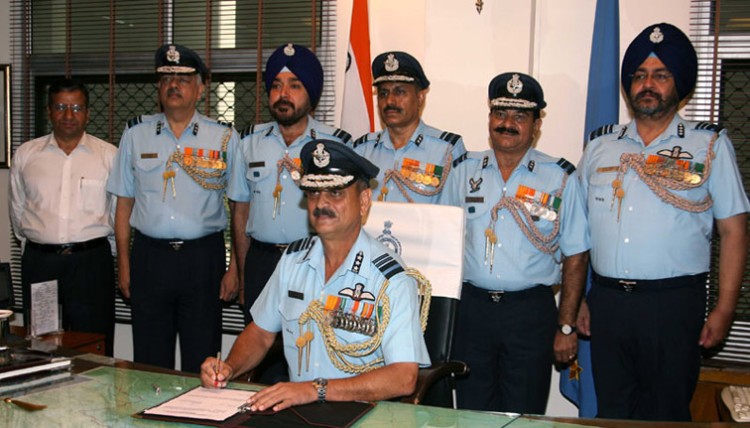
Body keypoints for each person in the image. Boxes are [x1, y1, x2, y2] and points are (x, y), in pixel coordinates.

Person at [578, 23, 749, 421]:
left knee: (667, 414)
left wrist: (724, 308)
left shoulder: (709, 146)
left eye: (660, 74)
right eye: (639, 76)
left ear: (680, 84)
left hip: (671, 306)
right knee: (612, 414)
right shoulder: (600, 146)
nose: (647, 85)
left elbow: (734, 230)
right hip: (608, 304)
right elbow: (581, 231)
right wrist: (585, 298)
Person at [201, 139, 430, 412]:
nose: (321, 203)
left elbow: (404, 377)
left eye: (335, 193)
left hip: (362, 412)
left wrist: (316, 390)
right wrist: (228, 367)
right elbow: (260, 333)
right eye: (313, 193)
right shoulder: (293, 260)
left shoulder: (389, 279)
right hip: (299, 409)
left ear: (364, 201)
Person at [440, 72, 589, 414]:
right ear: (489, 118)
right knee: (471, 411)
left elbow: (576, 255)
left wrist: (566, 326)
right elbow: (444, 244)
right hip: (472, 311)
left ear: (536, 125)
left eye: (520, 116)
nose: (507, 124)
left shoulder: (559, 177)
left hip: (530, 313)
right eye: (500, 114)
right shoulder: (463, 171)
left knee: (523, 413)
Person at [106, 44, 240, 373]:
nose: (173, 85)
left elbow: (239, 207)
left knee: (203, 358)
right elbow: (123, 205)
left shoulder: (223, 138)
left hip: (202, 260)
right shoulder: (135, 135)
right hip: (150, 259)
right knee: (150, 360)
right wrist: (124, 264)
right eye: (166, 78)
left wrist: (235, 267)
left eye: (182, 78)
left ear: (201, 86)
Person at [229, 43, 352, 322]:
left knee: (310, 349)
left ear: (311, 94)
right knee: (257, 352)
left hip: (315, 260)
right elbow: (240, 212)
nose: (283, 94)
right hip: (260, 262)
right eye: (276, 85)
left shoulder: (335, 144)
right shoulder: (248, 142)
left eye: (294, 85)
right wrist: (242, 269)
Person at [10, 78, 117, 356]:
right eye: (60, 107)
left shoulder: (108, 156)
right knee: (42, 346)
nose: (69, 115)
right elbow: (18, 211)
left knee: (94, 345)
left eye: (76, 108)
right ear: (48, 111)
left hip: (91, 264)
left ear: (87, 112)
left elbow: (118, 214)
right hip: (41, 263)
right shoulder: (26, 155)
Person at [353, 51, 466, 203]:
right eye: (383, 93)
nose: (390, 101)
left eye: (399, 92)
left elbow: (452, 217)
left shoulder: (446, 150)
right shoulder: (362, 150)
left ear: (420, 98)